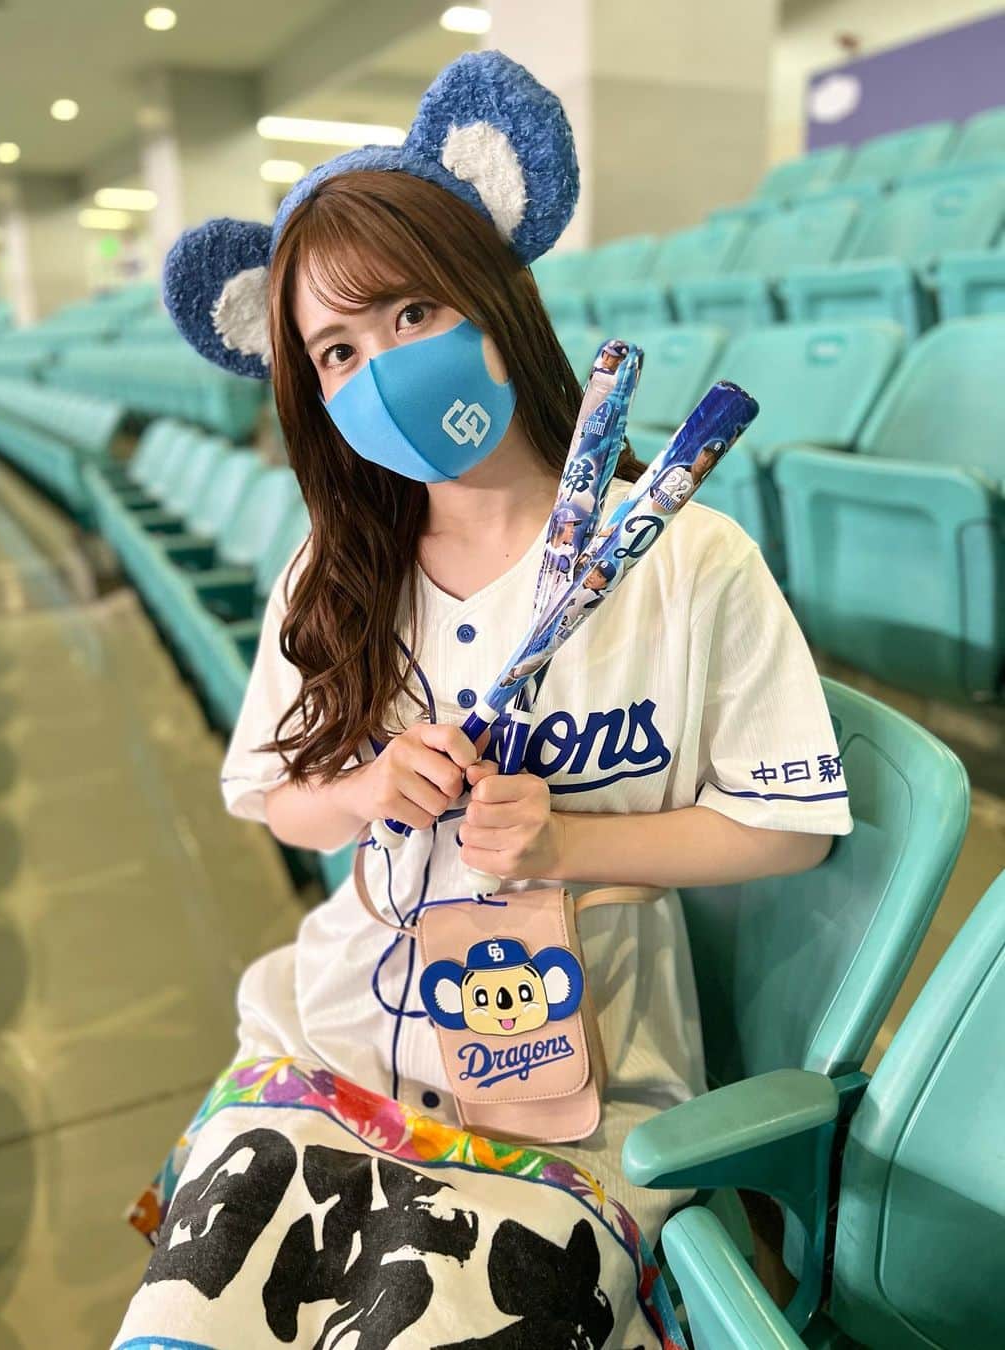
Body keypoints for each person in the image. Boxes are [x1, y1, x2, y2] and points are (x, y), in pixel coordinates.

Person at [120, 50, 852, 1349]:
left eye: (410, 312)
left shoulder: (686, 557)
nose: (382, 369)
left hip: (584, 1063)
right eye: (337, 350)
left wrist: (571, 843)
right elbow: (278, 799)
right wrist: (361, 787)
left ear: (495, 296)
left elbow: (787, 828)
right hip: (341, 1030)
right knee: (188, 1316)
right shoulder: (332, 571)